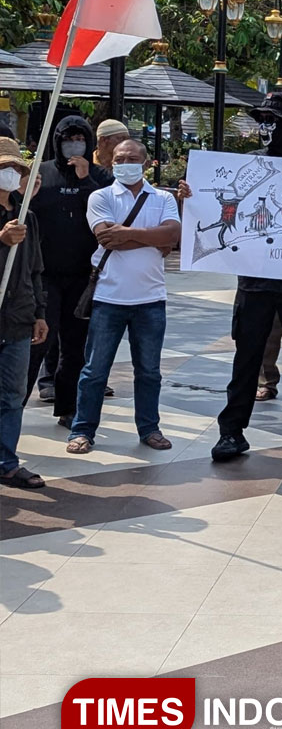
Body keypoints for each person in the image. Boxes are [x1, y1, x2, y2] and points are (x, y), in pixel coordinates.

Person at [179, 92, 282, 466]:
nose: (265, 128)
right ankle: (231, 432)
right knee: (245, 359)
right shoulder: (245, 166)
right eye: (261, 120)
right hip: (254, 282)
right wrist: (190, 198)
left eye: (272, 121)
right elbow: (220, 205)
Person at [64, 139, 179, 454]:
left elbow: (173, 234)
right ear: (109, 161)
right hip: (108, 298)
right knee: (94, 371)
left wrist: (127, 234)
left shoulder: (163, 198)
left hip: (151, 299)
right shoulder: (100, 197)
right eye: (119, 158)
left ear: (145, 162)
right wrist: (153, 238)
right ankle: (83, 431)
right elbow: (105, 237)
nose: (125, 162)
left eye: (132, 157)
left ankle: (149, 428)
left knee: (150, 371)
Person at [25, 116, 114, 424]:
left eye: (79, 138)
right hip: (46, 276)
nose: (73, 144)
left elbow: (113, 215)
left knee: (75, 348)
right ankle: (12, 407)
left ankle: (68, 408)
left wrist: (86, 180)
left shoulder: (101, 178)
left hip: (84, 277)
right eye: (68, 138)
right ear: (57, 140)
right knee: (38, 343)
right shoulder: (42, 173)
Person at [0, 136, 49, 489]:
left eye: (14, 168)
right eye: (3, 168)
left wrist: (40, 312)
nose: (9, 174)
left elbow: (34, 270)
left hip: (17, 321)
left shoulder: (25, 217)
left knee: (13, 396)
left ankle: (6, 461)